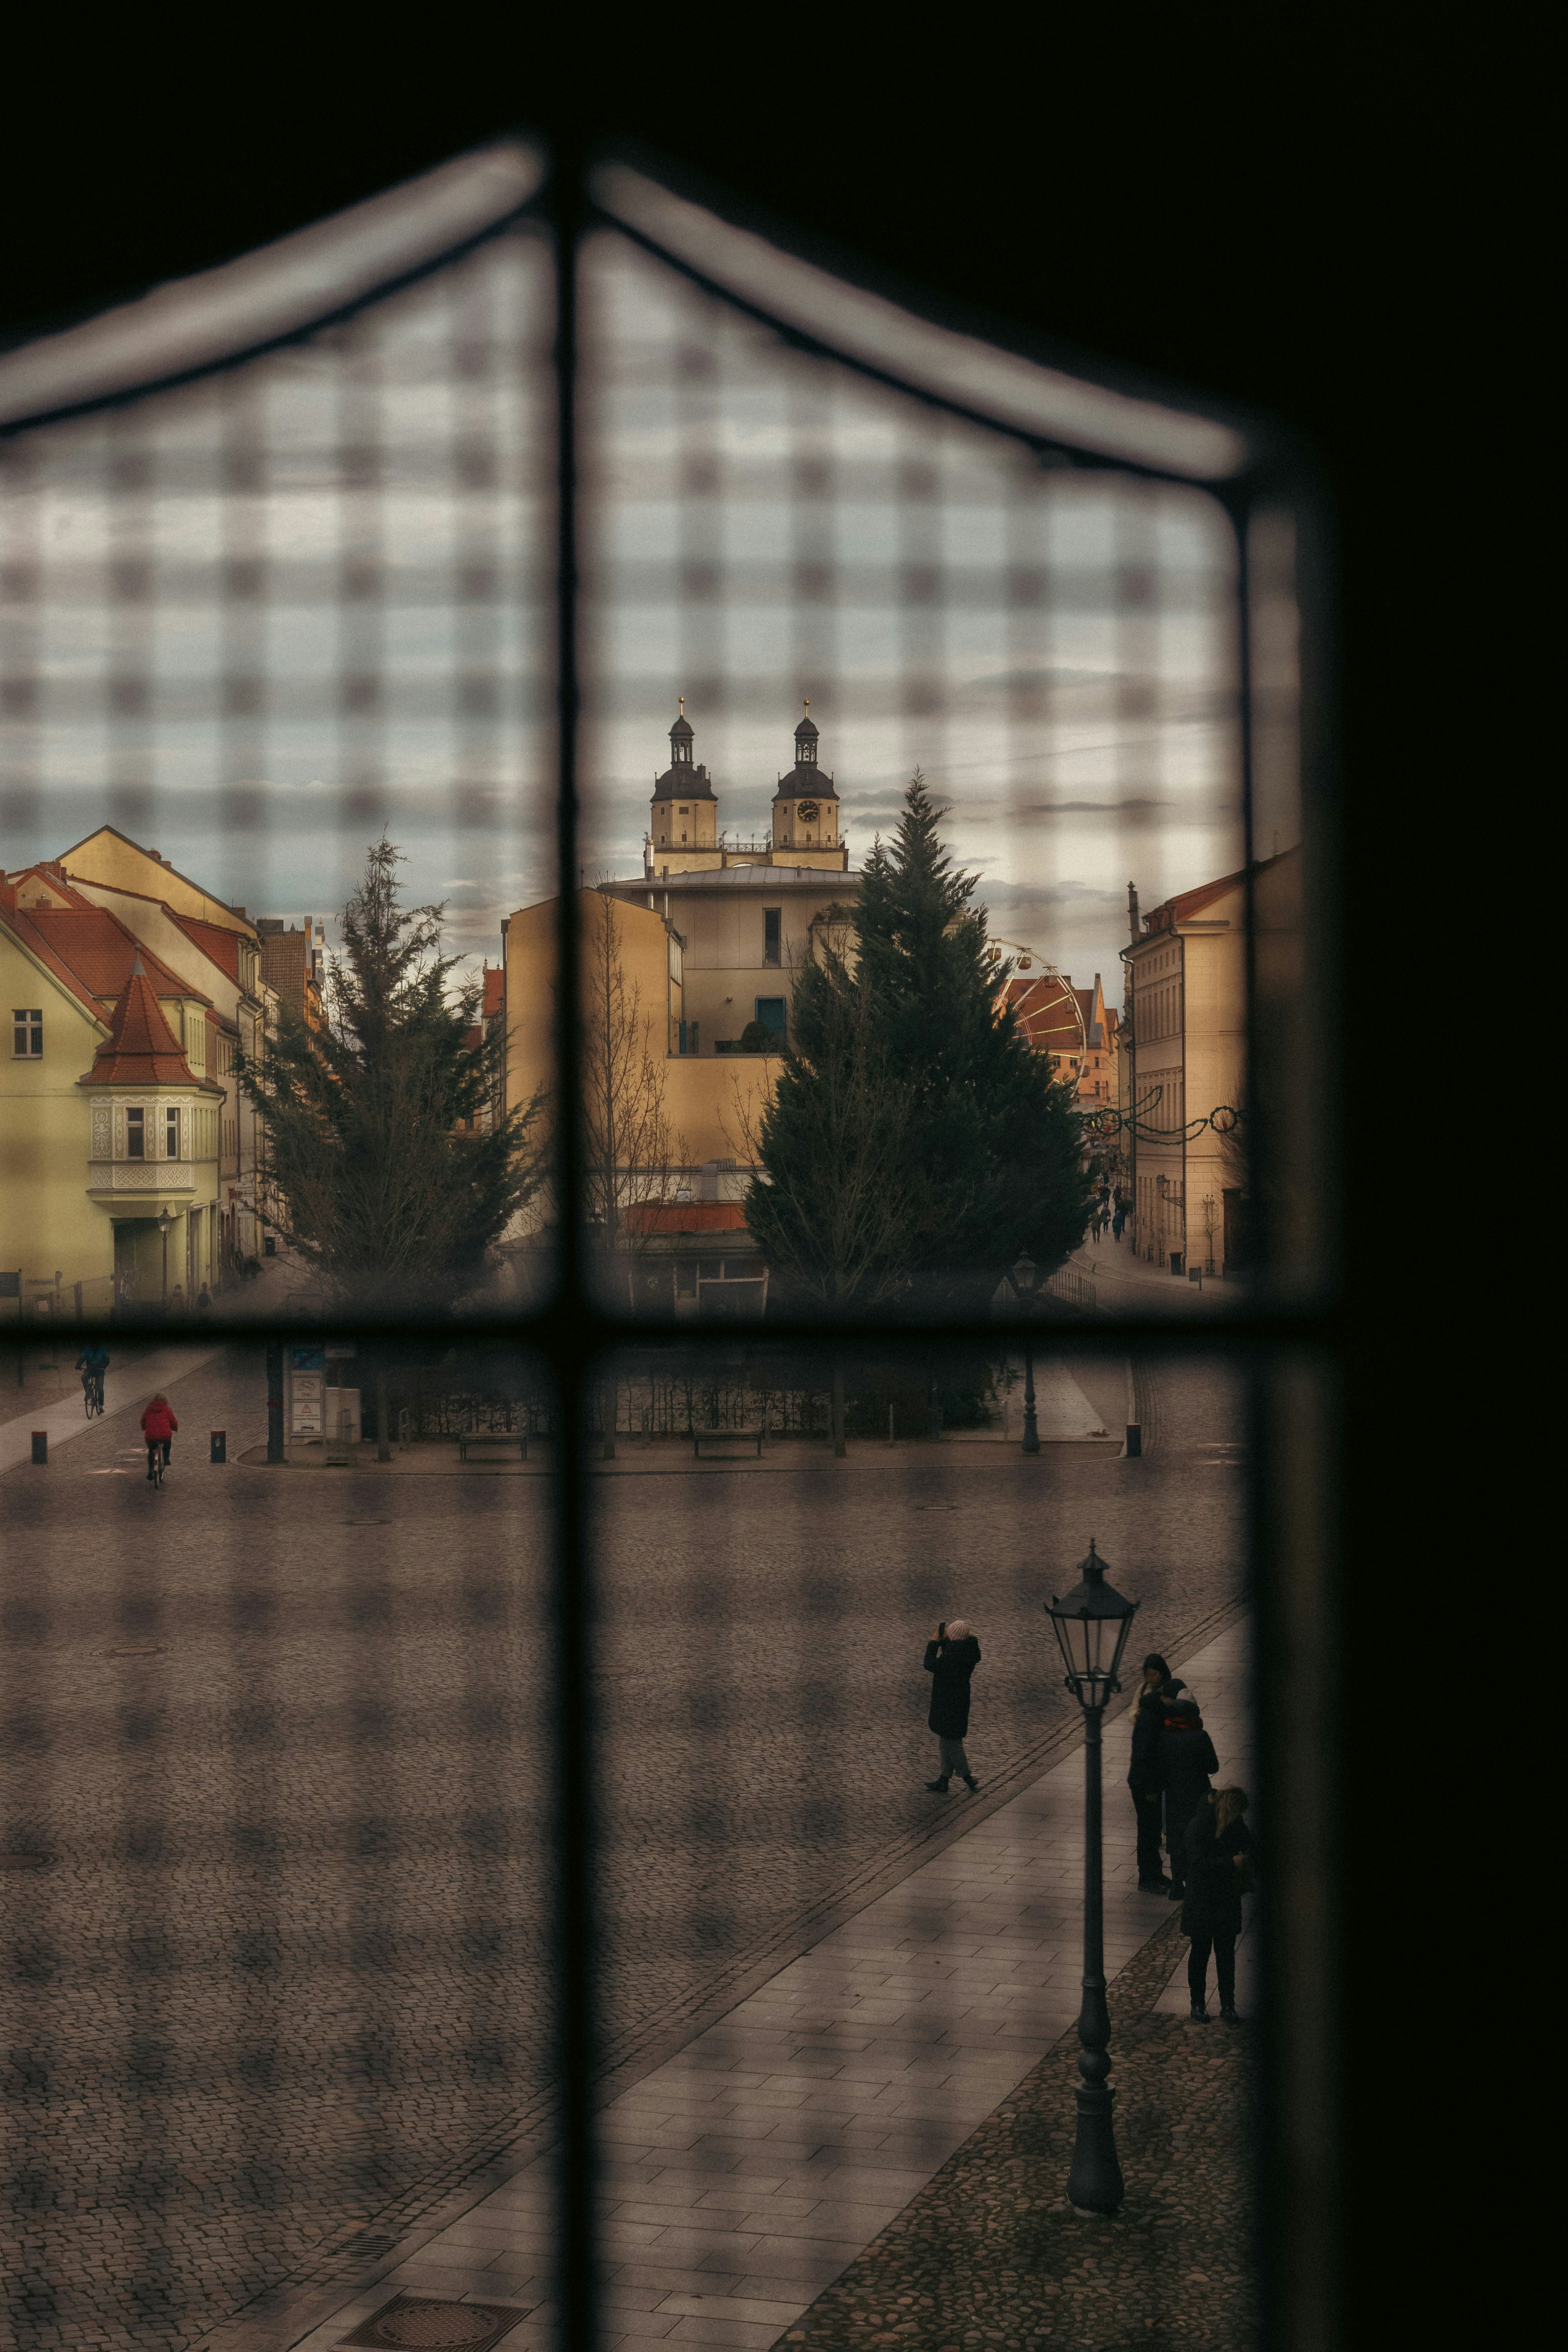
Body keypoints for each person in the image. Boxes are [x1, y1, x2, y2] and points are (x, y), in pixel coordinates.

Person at [1183, 1786, 1254, 2022]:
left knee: (1225, 1955)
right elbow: (1197, 1863)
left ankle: (1228, 2005)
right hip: (1203, 1899)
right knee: (1201, 1953)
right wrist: (1231, 1863)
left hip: (1225, 1899)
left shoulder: (1233, 1824)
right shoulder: (1200, 1824)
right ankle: (1198, 2003)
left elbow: (1248, 1842)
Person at [1127, 1653, 1188, 1891]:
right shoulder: (1152, 1718)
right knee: (1148, 1831)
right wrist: (1152, 1788)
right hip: (1145, 1784)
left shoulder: (1154, 1713)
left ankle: (1154, 1873)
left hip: (1145, 1781)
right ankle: (1148, 1877)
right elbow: (1145, 1755)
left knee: (1151, 1830)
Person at [1156, 1692, 1219, 1900]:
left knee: (1175, 1838)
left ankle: (1176, 1885)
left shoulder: (1164, 1736)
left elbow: (1160, 1767)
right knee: (1197, 1836)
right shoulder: (1201, 1736)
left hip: (1174, 1795)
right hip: (1197, 1795)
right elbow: (1213, 1766)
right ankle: (1193, 1882)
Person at [924, 1618, 981, 1793]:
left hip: (948, 1704)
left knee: (953, 1742)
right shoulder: (967, 1652)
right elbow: (952, 1651)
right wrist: (945, 1642)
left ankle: (967, 1777)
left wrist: (934, 1643)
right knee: (946, 1740)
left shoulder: (952, 1658)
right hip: (960, 1701)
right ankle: (944, 1779)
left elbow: (929, 1664)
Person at [140, 1393, 178, 1481]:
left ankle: (151, 1469)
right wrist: (175, 1429)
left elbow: (144, 1420)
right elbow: (173, 1422)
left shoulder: (149, 1409)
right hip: (165, 1435)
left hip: (151, 1436)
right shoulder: (167, 1410)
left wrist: (144, 1428)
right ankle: (166, 1459)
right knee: (167, 1444)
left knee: (151, 1451)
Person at [76, 1342, 110, 1410]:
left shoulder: (102, 1349)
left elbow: (107, 1360)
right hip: (90, 1370)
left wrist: (104, 1367)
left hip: (100, 1371)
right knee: (84, 1377)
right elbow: (83, 1358)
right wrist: (78, 1365)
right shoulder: (88, 1349)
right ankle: (89, 1393)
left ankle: (101, 1406)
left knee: (100, 1387)